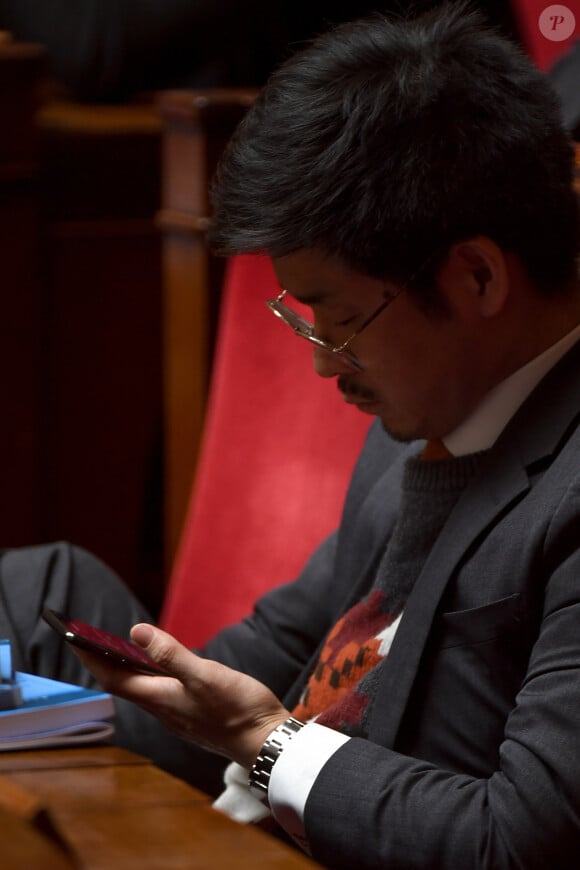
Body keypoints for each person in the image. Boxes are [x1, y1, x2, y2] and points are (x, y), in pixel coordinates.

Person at [62, 3, 580, 867]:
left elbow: (518, 838)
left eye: (337, 319)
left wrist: (266, 742)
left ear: (479, 274)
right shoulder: (425, 409)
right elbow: (273, 649)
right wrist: (46, 710)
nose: (322, 367)